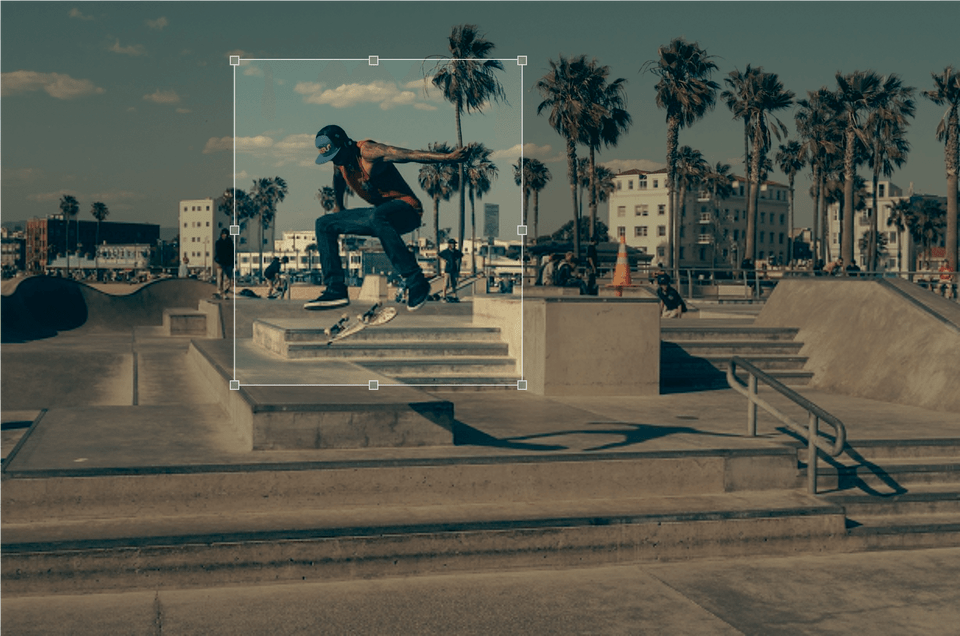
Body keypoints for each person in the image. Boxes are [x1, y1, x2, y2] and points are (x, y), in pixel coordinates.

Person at [304, 124, 466, 311]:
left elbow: (408, 155)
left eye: (338, 155)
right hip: (380, 219)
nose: (337, 160)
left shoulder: (369, 152)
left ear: (346, 143)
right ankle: (336, 289)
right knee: (324, 224)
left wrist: (447, 158)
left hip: (407, 211)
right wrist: (339, 208)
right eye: (333, 158)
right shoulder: (339, 162)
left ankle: (416, 282)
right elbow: (338, 179)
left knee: (377, 215)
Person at [213, 228, 234, 297]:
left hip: (228, 262)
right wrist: (218, 261)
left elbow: (232, 253)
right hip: (220, 262)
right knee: (220, 277)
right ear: (221, 235)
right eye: (223, 234)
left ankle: (225, 291)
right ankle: (220, 291)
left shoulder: (230, 243)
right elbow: (217, 252)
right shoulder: (218, 242)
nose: (224, 236)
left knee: (228, 278)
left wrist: (232, 264)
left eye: (225, 234)